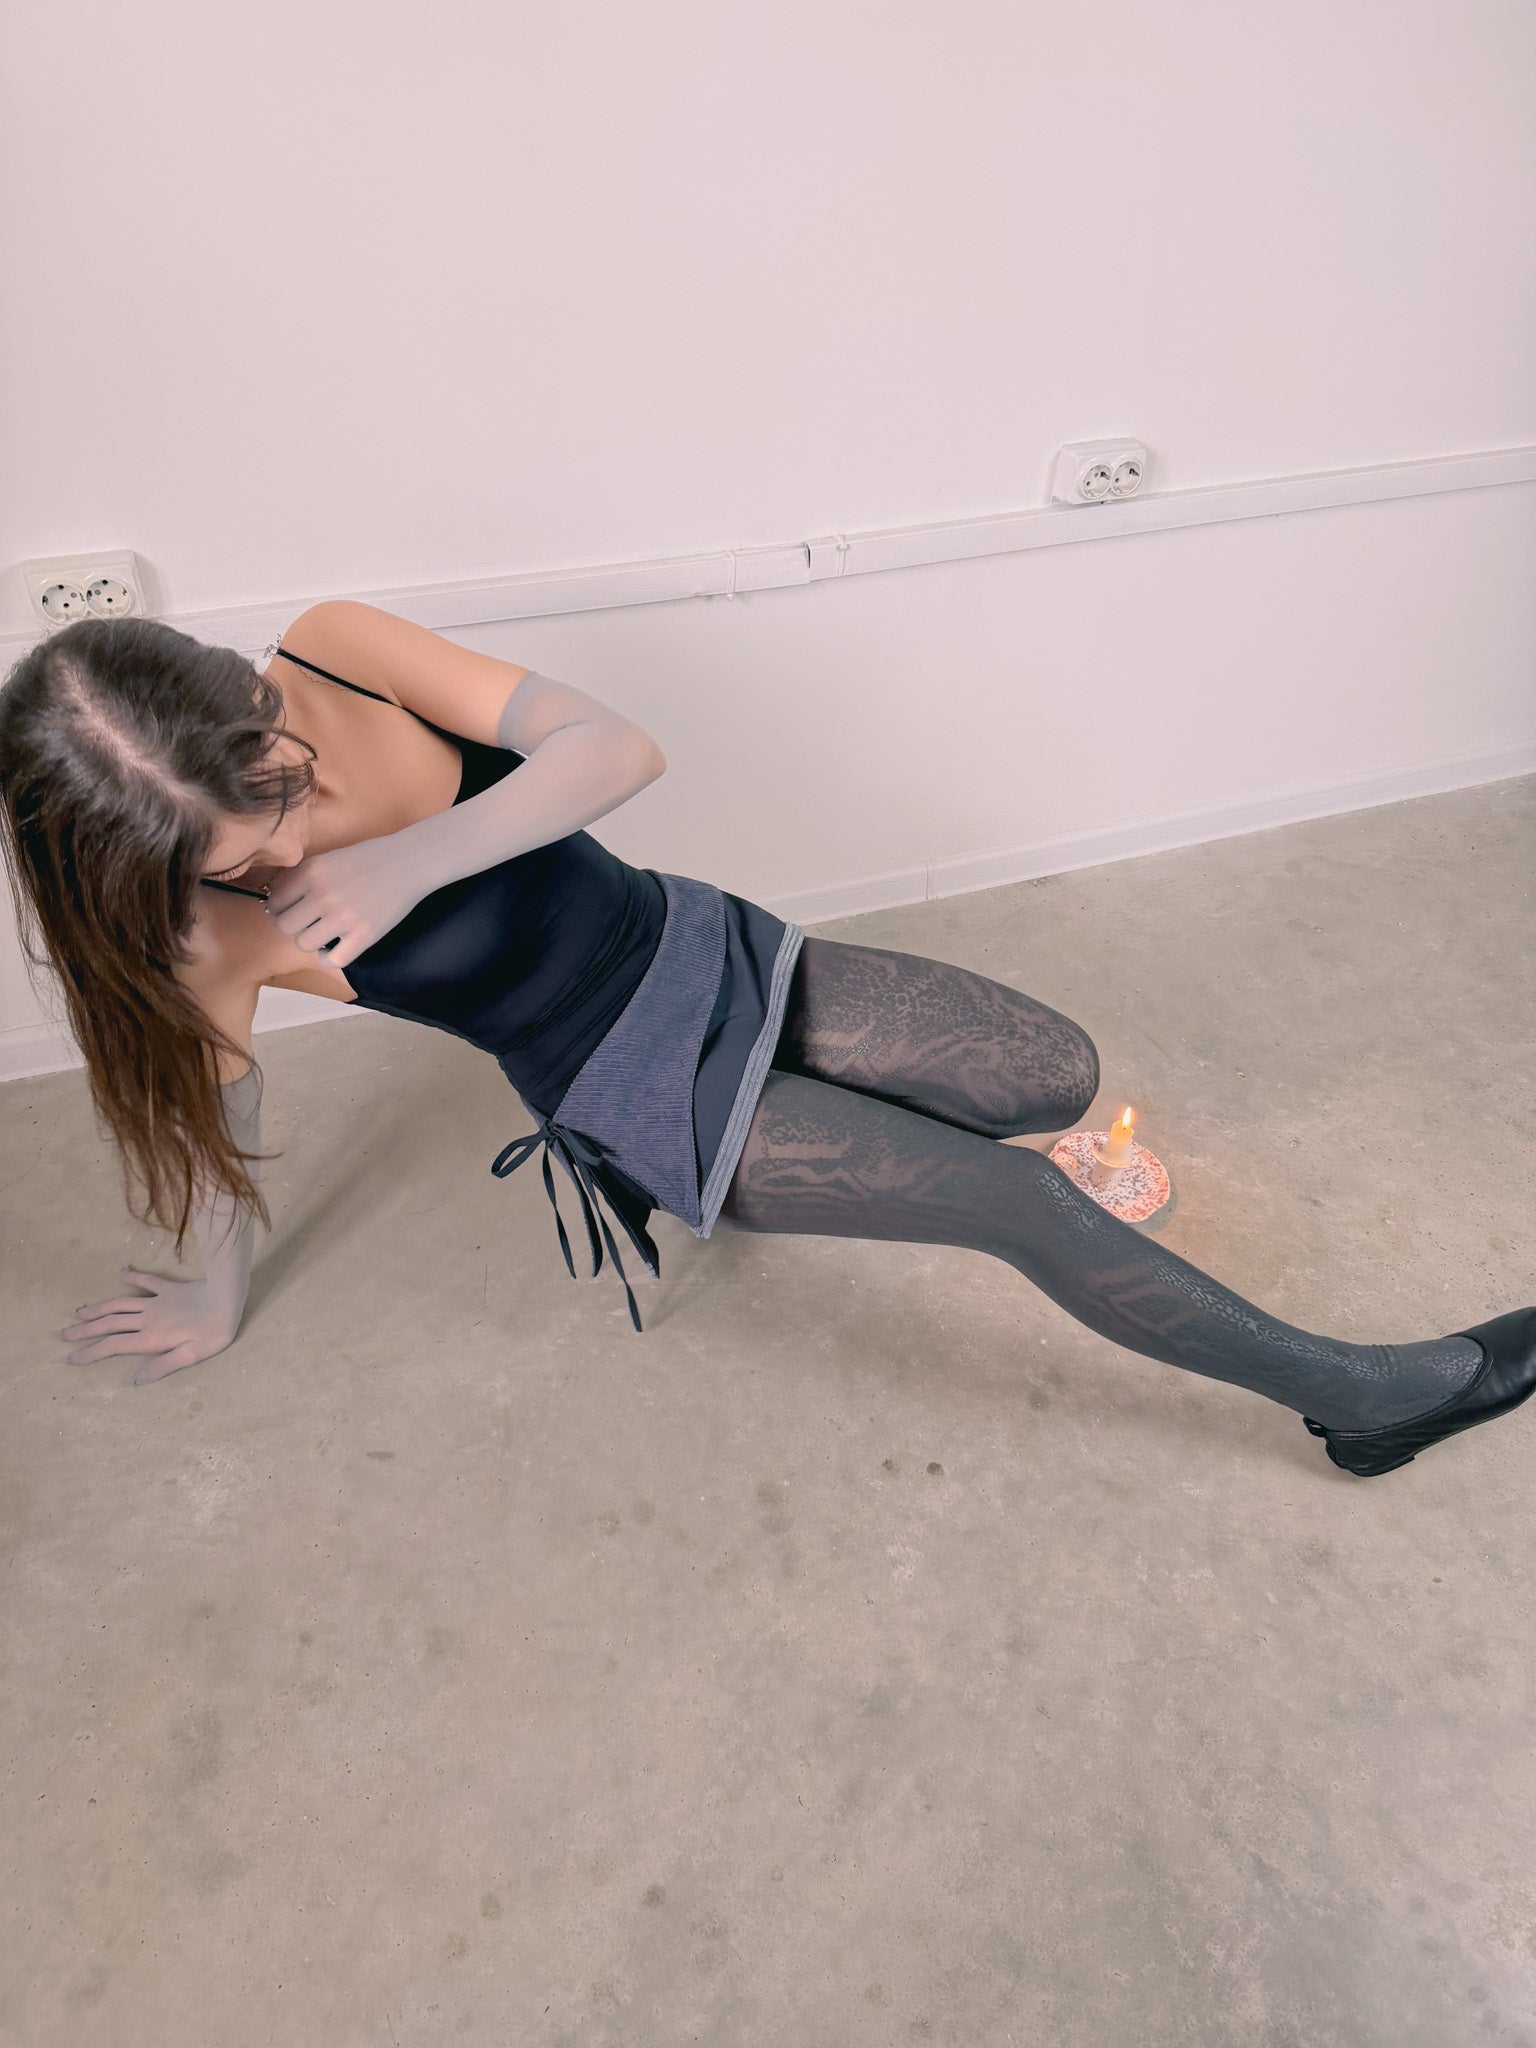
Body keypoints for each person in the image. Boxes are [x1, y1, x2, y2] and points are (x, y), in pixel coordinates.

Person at [1, 601, 1529, 1480]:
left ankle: (843, 1142)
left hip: (701, 945)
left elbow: (616, 748)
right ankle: (1365, 1399)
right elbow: (219, 1122)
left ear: (252, 695)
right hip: (627, 1079)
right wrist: (211, 1291)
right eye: (235, 854)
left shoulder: (338, 648)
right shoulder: (204, 937)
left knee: (1053, 1074)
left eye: (276, 789)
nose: (284, 847)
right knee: (1026, 1201)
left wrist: (409, 862)